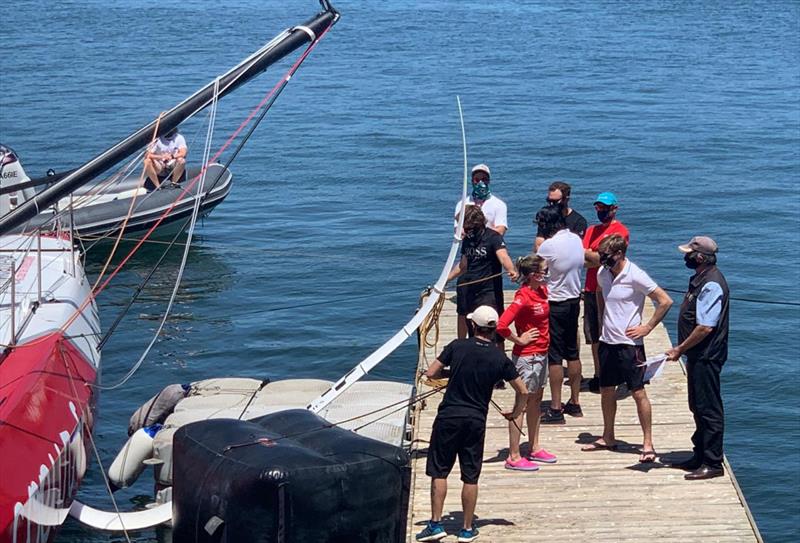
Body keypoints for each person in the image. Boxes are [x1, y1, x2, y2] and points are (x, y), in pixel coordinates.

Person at [417, 306, 528, 543]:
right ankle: (467, 529)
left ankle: (436, 524)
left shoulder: (457, 346)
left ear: (473, 326)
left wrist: (452, 374)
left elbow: (431, 372)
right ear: (493, 329)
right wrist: (515, 412)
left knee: (440, 471)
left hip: (449, 417)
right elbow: (523, 390)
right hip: (476, 420)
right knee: (470, 476)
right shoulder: (499, 357)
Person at [581, 234, 673, 463]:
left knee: (638, 392)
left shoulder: (635, 275)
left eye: (606, 256)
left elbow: (665, 300)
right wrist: (603, 321)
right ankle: (608, 436)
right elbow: (601, 295)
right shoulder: (603, 273)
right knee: (606, 390)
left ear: (620, 254)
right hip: (608, 341)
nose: (602, 260)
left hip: (630, 345)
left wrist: (648, 327)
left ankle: (648, 443)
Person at [665, 236, 729, 480]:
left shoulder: (711, 284)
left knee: (708, 408)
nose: (686, 257)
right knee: (697, 405)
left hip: (707, 355)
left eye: (689, 253)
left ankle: (713, 462)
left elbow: (705, 327)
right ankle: (699, 453)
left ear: (700, 257)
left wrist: (680, 348)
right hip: (697, 355)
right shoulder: (702, 279)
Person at [496, 255, 558, 470]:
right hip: (527, 357)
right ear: (534, 275)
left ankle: (534, 446)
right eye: (544, 271)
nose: (548, 275)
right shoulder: (523, 297)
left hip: (542, 354)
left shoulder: (541, 292)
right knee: (521, 404)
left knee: (536, 401)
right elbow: (501, 325)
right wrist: (519, 339)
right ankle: (513, 455)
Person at [535, 205, 585, 424]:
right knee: (572, 353)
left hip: (555, 303)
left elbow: (535, 271)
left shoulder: (548, 245)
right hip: (574, 301)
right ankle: (575, 402)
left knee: (554, 356)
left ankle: (556, 408)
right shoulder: (576, 239)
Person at [449, 205, 519, 341]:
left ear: (475, 224)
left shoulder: (493, 237)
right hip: (469, 287)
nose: (464, 230)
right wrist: (446, 279)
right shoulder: (468, 239)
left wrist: (511, 270)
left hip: (489, 290)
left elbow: (503, 256)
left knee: (493, 325)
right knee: (472, 325)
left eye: (466, 226)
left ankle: (497, 356)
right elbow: (463, 265)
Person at [582, 192, 630, 392]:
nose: (601, 211)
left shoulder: (620, 231)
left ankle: (617, 372)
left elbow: (606, 258)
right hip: (591, 288)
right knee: (594, 334)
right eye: (599, 207)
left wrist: (595, 257)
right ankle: (599, 373)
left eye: (605, 207)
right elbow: (584, 259)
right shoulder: (591, 230)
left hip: (611, 289)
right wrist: (598, 257)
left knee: (611, 332)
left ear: (614, 208)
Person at [454, 164, 508, 235]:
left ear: (488, 181)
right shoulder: (462, 204)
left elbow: (501, 230)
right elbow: (458, 229)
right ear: (472, 181)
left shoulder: (499, 204)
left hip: (491, 245)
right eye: (477, 180)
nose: (480, 182)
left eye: (484, 179)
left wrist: (480, 235)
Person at [533, 181, 587, 252]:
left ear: (566, 199)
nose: (552, 204)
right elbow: (539, 244)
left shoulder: (578, 221)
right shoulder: (546, 217)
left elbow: (576, 248)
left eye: (555, 202)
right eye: (549, 201)